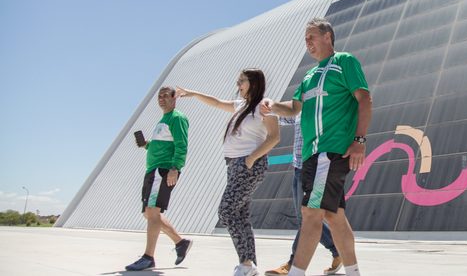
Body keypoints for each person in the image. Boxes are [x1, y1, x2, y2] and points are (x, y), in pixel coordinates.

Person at [261, 17, 372, 276]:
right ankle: (353, 272)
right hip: (312, 155)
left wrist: (359, 141)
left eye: (312, 37)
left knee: (311, 214)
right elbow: (294, 108)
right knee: (334, 217)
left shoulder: (344, 61)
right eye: (305, 39)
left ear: (327, 37)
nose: (308, 43)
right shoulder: (309, 77)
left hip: (329, 152)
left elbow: (364, 98)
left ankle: (295, 272)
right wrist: (272, 106)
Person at [176, 69, 280, 276]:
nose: (238, 84)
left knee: (226, 211)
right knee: (240, 215)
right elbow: (216, 102)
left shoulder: (263, 106)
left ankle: (246, 263)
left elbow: (274, 137)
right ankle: (250, 265)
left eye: (242, 81)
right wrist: (193, 93)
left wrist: (251, 159)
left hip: (248, 164)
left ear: (253, 82)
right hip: (234, 165)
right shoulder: (241, 105)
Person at [125, 86, 193, 271]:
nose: (161, 99)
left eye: (165, 96)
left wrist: (175, 168)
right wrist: (146, 145)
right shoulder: (163, 120)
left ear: (174, 98)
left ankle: (148, 257)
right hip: (153, 169)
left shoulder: (177, 118)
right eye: (159, 96)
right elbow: (162, 145)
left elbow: (181, 145)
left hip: (163, 170)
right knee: (149, 213)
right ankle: (181, 243)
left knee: (152, 212)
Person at [265, 115, 342, 275]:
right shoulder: (300, 111)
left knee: (308, 219)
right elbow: (284, 117)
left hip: (314, 169)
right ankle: (339, 250)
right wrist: (265, 110)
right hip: (298, 168)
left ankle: (294, 264)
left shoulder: (322, 108)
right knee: (306, 219)